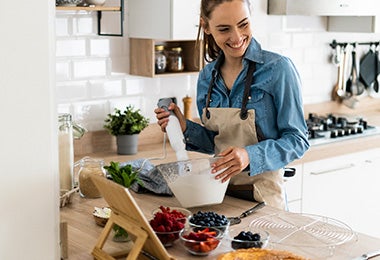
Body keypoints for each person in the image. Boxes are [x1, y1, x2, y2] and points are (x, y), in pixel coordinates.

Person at [154, 0, 310, 210]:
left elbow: (298, 140)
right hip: (219, 195)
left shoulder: (278, 69)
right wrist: (184, 128)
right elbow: (216, 143)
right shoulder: (206, 78)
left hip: (265, 199)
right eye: (224, 29)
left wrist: (249, 156)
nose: (236, 37)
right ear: (206, 27)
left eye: (243, 24)